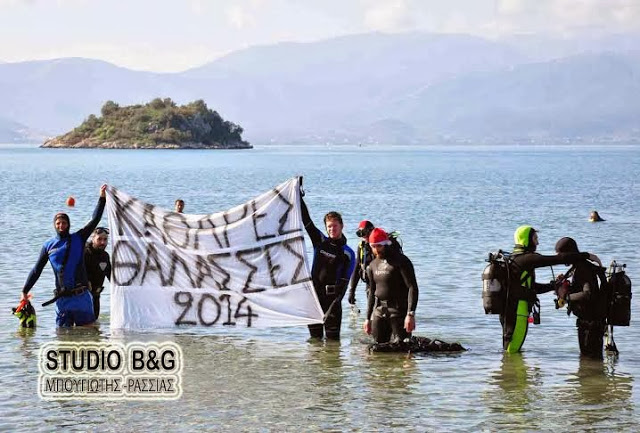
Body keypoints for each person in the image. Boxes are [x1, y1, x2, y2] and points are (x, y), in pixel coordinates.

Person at [500, 225, 601, 353]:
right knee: (512, 351)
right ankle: (511, 371)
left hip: (511, 310)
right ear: (527, 239)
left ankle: (507, 369)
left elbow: (533, 288)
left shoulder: (515, 259)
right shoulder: (526, 258)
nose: (537, 242)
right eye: (535, 238)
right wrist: (587, 255)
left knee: (511, 348)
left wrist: (554, 286)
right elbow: (557, 259)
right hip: (517, 311)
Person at [20, 185, 107, 327]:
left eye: (64, 223)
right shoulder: (48, 246)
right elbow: (37, 270)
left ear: (68, 224)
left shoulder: (79, 238)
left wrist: (102, 198)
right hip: (62, 300)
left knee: (88, 338)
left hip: (81, 298)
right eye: (58, 223)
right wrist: (25, 291)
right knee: (62, 341)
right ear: (54, 225)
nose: (61, 226)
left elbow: (94, 220)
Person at [300, 194, 355, 340]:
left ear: (341, 226)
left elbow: (345, 281)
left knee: (332, 345)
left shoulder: (347, 253)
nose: (332, 229)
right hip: (314, 297)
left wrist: (336, 302)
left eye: (335, 226)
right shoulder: (320, 241)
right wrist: (298, 196)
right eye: (329, 226)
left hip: (332, 300)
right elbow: (307, 221)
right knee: (314, 341)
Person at [554, 237, 608, 359]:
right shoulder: (578, 267)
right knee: (589, 361)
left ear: (568, 253)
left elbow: (588, 293)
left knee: (590, 359)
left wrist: (567, 297)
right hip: (589, 321)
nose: (560, 258)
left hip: (591, 324)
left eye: (561, 255)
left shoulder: (582, 268)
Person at [363, 228, 418, 344]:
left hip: (398, 311)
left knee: (403, 350)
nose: (376, 250)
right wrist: (367, 318)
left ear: (386, 244)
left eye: (379, 246)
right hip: (379, 311)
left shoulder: (401, 261)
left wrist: (410, 314)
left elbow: (412, 288)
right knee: (378, 350)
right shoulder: (372, 265)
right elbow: (372, 292)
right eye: (373, 247)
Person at [84, 227, 111, 320]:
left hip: (96, 296)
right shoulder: (84, 252)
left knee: (94, 324)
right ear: (93, 238)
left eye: (105, 239)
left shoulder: (105, 256)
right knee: (84, 325)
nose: (103, 242)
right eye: (99, 239)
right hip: (82, 297)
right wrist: (86, 280)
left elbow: (110, 275)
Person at [347, 220, 375, 306]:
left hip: (384, 287)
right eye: (360, 233)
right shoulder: (362, 247)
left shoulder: (382, 247)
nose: (363, 236)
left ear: (372, 231)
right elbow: (357, 269)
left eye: (365, 232)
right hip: (370, 286)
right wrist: (352, 291)